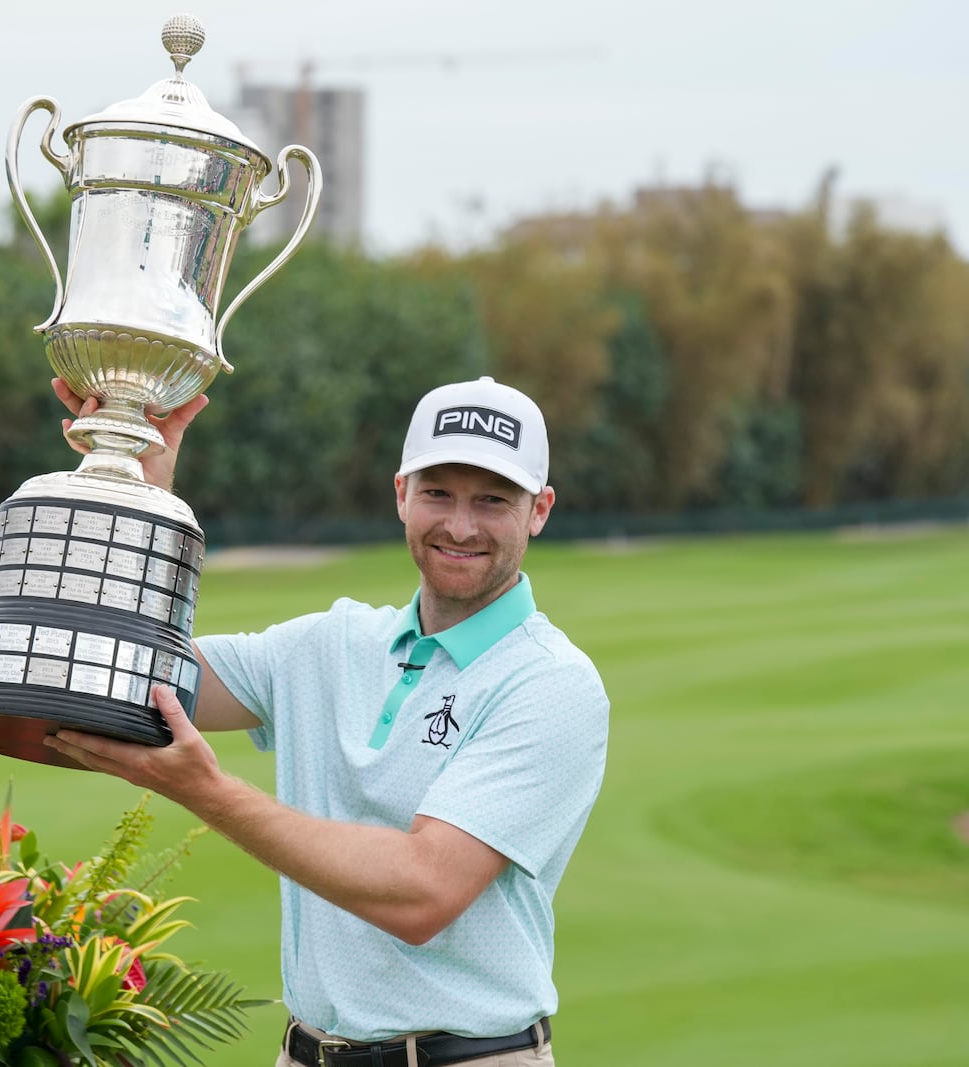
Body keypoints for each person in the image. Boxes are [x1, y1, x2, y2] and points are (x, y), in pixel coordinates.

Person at [45, 375, 609, 1067]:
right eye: (439, 492)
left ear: (539, 510)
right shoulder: (330, 643)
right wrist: (139, 483)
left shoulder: (550, 682)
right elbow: (129, 676)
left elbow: (422, 892)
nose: (460, 525)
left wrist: (207, 791)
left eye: (491, 500)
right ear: (401, 492)